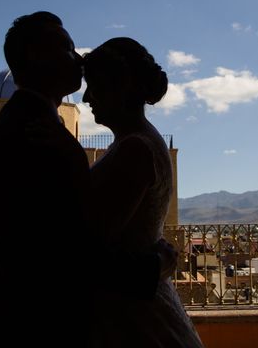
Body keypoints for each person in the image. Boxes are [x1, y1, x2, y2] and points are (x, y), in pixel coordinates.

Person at [0, 12, 176, 348]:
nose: (79, 59)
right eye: (68, 49)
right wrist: (155, 265)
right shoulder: (35, 134)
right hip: (37, 325)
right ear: (37, 57)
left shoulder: (37, 127)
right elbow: (69, 252)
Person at [83, 37, 204, 347]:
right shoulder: (135, 142)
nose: (86, 97)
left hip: (132, 317)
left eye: (93, 85)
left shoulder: (134, 150)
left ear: (119, 87)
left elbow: (91, 251)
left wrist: (152, 268)